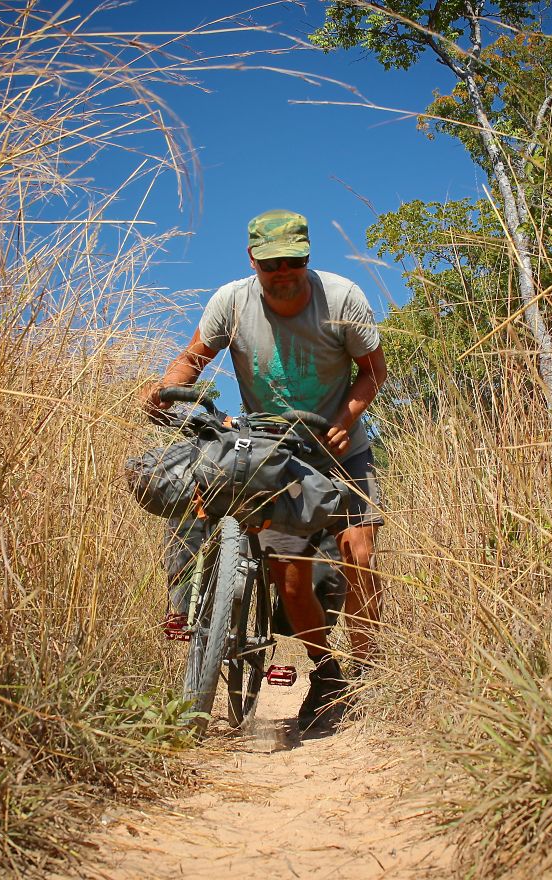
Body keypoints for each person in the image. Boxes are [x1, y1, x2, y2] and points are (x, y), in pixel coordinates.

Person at [143, 209, 387, 732]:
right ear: (252, 259)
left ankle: (374, 677)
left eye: (293, 261)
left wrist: (346, 418)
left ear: (307, 257)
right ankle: (327, 676)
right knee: (289, 575)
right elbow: (193, 358)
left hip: (339, 446)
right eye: (271, 262)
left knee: (358, 553)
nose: (283, 271)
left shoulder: (341, 299)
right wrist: (166, 387)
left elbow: (372, 372)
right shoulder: (230, 303)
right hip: (272, 454)